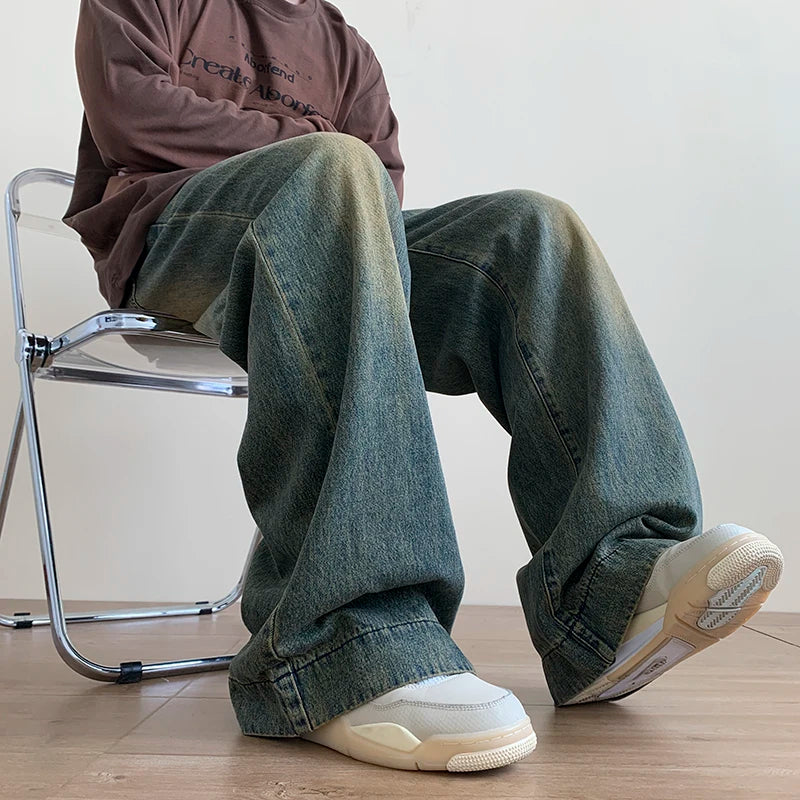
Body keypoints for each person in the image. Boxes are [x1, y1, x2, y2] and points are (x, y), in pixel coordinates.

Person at [62, 0, 784, 773]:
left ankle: (612, 588)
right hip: (174, 233)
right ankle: (346, 644)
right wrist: (316, 149)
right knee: (333, 170)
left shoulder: (343, 45)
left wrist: (325, 162)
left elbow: (383, 181)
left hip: (329, 225)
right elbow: (131, 114)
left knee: (531, 230)